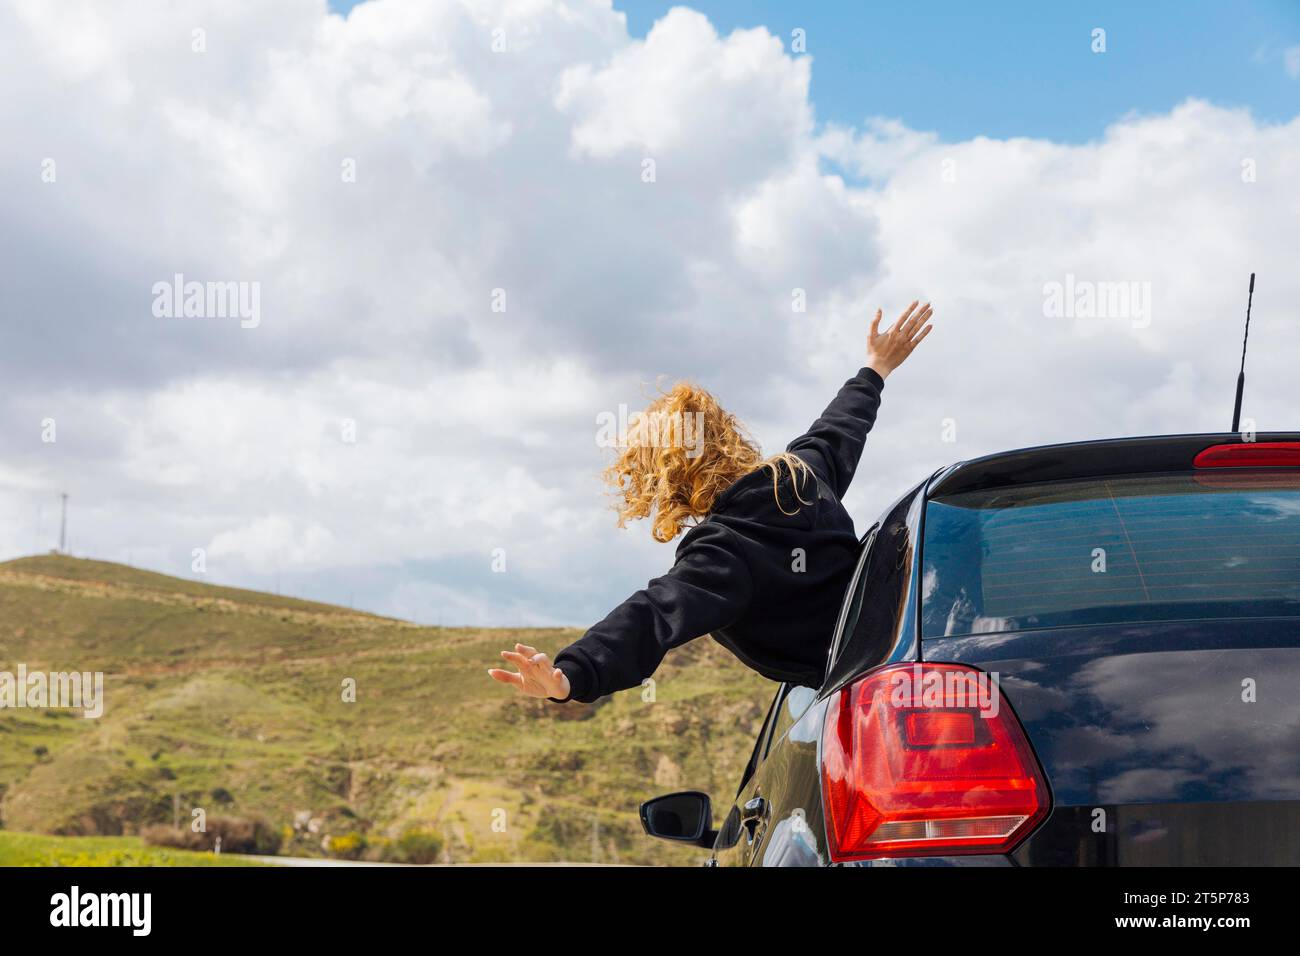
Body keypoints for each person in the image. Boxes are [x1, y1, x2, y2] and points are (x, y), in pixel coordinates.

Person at [488, 302, 934, 703]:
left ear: (668, 479)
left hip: (870, 693)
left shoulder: (727, 549)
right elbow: (838, 429)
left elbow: (655, 613)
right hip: (920, 648)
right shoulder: (801, 477)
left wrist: (570, 676)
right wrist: (875, 369)